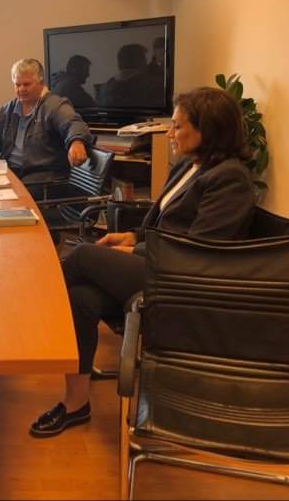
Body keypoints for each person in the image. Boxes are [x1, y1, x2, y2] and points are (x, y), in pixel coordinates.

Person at [29, 87, 256, 438]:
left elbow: (197, 251)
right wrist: (132, 236)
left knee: (84, 255)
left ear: (207, 130)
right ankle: (76, 403)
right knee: (80, 298)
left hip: (181, 283)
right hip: (158, 265)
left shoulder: (230, 178)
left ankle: (28, 315)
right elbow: (168, 224)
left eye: (178, 126)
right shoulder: (190, 165)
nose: (170, 133)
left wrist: (134, 252)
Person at [0, 59, 92, 186]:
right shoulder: (8, 109)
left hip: (42, 180)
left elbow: (74, 124)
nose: (21, 89)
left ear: (41, 83)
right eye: (17, 85)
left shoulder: (55, 105)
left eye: (27, 84)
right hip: (11, 173)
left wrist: (76, 142)